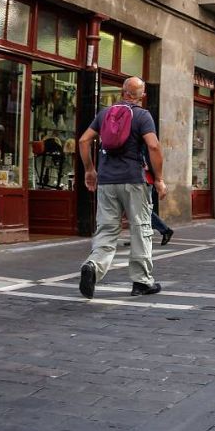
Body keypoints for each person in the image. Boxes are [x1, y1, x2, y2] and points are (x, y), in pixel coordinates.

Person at [77, 77, 166, 299]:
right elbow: (153, 146)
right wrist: (159, 178)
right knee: (140, 228)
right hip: (134, 181)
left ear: (122, 92)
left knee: (106, 229)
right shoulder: (142, 115)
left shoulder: (104, 114)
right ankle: (141, 282)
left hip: (106, 181)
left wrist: (90, 169)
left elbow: (83, 141)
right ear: (141, 95)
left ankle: (93, 266)